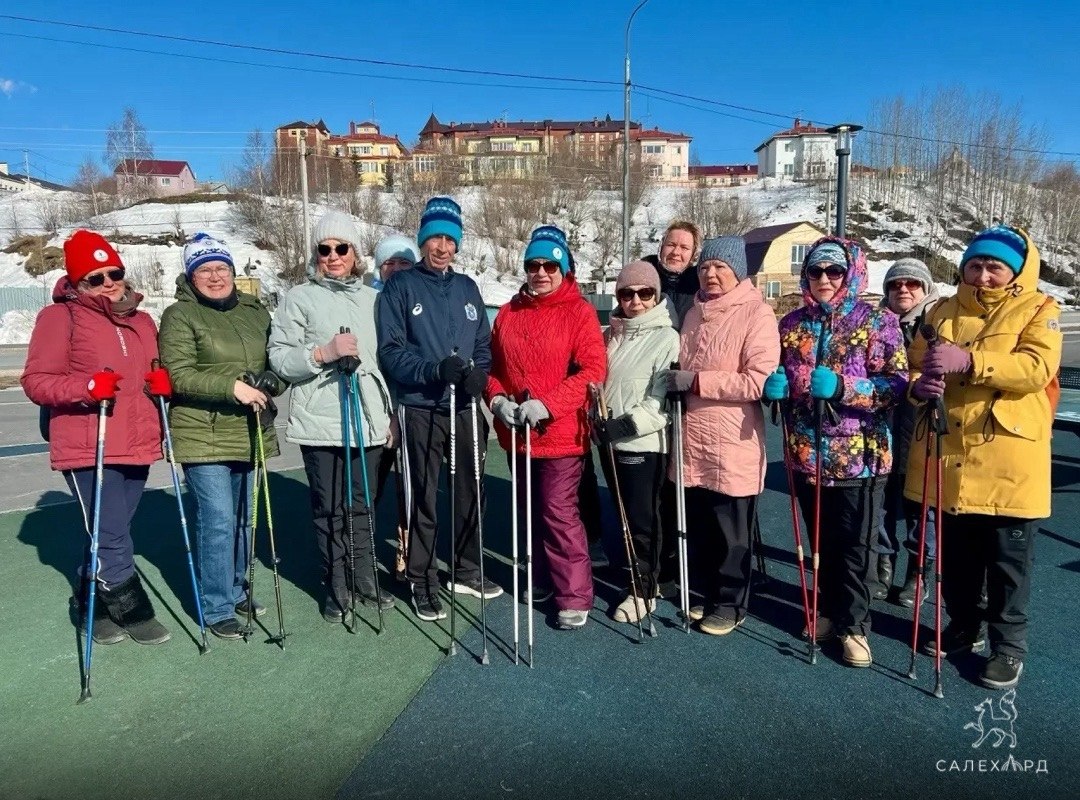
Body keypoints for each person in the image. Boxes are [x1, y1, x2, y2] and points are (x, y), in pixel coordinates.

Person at [906, 226, 1061, 690]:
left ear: (1015, 271)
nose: (983, 275)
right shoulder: (941, 309)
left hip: (1007, 458)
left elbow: (1037, 368)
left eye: (994, 267)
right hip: (948, 451)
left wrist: (971, 361)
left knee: (1008, 563)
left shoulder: (1040, 309)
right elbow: (913, 362)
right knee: (958, 555)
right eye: (975, 265)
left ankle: (1008, 646)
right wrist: (918, 387)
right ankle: (964, 625)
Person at [762, 237, 907, 667]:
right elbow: (782, 374)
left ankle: (855, 625)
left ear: (851, 274)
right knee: (820, 540)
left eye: (834, 272)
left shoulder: (878, 321)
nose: (824, 280)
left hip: (859, 458)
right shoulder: (791, 324)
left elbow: (897, 385)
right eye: (815, 272)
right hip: (806, 453)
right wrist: (779, 390)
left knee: (855, 549)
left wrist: (848, 387)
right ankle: (827, 610)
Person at [22, 230, 169, 645]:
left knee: (113, 527)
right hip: (90, 442)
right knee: (111, 533)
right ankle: (131, 606)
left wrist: (161, 384)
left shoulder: (142, 320)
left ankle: (90, 602)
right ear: (76, 281)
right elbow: (36, 381)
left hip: (136, 441)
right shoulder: (59, 318)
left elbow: (150, 372)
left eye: (115, 273)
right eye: (96, 277)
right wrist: (85, 389)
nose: (109, 283)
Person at [376, 196, 502, 622]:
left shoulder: (467, 287)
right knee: (422, 498)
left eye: (450, 239)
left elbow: (482, 347)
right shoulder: (400, 286)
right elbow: (390, 352)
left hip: (463, 408)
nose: (442, 247)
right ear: (423, 241)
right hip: (421, 407)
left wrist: (477, 377)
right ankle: (422, 578)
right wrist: (434, 370)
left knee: (471, 491)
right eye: (435, 238)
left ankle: (466, 568)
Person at [268, 211, 397, 622]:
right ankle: (335, 585)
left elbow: (388, 362)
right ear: (316, 254)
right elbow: (280, 358)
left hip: (368, 419)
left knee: (362, 505)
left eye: (342, 248)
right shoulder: (298, 298)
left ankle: (364, 578)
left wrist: (391, 414)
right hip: (320, 421)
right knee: (329, 508)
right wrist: (322, 353)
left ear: (356, 253)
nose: (333, 256)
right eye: (324, 249)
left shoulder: (374, 299)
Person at [157, 233, 283, 639]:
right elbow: (178, 373)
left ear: (232, 271)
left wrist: (272, 381)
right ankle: (216, 607)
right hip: (202, 432)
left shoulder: (254, 311)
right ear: (191, 276)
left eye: (221, 268)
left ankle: (236, 587)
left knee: (245, 519)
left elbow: (276, 359)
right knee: (217, 521)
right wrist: (232, 386)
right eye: (204, 269)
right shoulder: (180, 315)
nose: (215, 277)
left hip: (249, 430)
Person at [486, 225, 607, 630]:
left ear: (565, 268)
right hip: (517, 433)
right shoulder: (508, 312)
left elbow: (593, 369)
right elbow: (492, 369)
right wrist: (496, 399)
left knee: (557, 511)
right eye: (533, 265)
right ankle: (538, 577)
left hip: (559, 434)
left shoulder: (580, 311)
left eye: (550, 265)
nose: (541, 272)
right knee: (526, 510)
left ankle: (573, 594)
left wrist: (549, 404)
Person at [660, 237, 780, 635]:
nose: (711, 274)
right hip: (693, 436)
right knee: (702, 525)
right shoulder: (695, 312)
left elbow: (757, 381)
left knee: (732, 532)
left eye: (721, 268)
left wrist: (695, 381)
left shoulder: (757, 314)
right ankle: (708, 593)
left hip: (733, 440)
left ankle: (731, 603)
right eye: (706, 267)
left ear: (737, 273)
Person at [596, 260, 680, 624]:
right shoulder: (610, 335)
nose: (635, 301)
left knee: (643, 520)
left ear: (655, 296)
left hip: (643, 444)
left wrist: (623, 427)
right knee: (623, 515)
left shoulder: (667, 337)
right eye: (627, 293)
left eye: (644, 293)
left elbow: (659, 404)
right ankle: (637, 574)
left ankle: (643, 589)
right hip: (609, 441)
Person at [875, 258, 941, 606]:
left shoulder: (936, 322)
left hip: (920, 428)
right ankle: (883, 564)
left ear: (925, 288)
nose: (903, 289)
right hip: (882, 427)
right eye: (895, 284)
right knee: (882, 502)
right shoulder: (875, 322)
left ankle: (919, 573)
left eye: (912, 284)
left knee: (920, 504)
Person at [369, 232, 420, 580]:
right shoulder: (368, 301)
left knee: (413, 486)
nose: (398, 269)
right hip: (374, 409)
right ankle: (361, 555)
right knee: (369, 488)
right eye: (391, 263)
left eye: (405, 262)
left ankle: (408, 552)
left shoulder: (421, 300)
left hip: (411, 407)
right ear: (379, 267)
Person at [644, 219, 701, 327]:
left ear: (694, 255)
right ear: (661, 248)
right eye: (671, 245)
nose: (676, 252)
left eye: (684, 247)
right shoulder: (641, 277)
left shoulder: (700, 287)